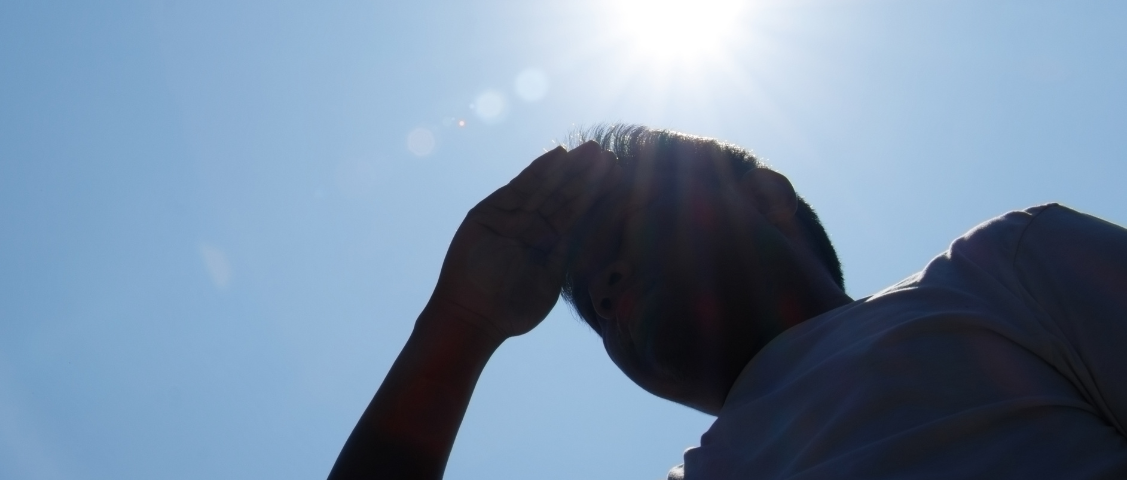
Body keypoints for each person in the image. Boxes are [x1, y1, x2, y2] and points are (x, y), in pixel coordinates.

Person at [326, 124, 1127, 479]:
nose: (605, 285)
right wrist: (459, 328)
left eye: (631, 230)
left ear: (767, 199)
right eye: (595, 304)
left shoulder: (1002, 271)